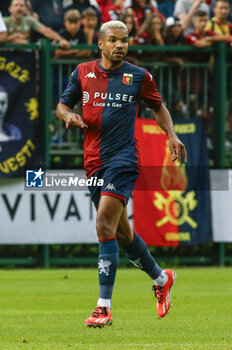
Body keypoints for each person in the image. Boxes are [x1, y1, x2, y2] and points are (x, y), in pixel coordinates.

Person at [56, 20, 187, 328]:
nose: (120, 45)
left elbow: (158, 107)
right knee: (122, 233)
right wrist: (69, 115)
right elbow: (61, 106)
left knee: (103, 223)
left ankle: (103, 307)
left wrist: (171, 135)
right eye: (113, 40)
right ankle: (161, 277)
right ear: (100, 43)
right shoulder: (83, 72)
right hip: (93, 163)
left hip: (123, 159)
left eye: (124, 41)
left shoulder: (138, 76)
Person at [4, 0, 70, 47]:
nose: (19, 8)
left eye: (22, 5)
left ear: (25, 8)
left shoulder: (29, 20)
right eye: (16, 5)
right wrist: (12, 38)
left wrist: (61, 40)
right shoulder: (4, 21)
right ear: (10, 9)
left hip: (25, 57)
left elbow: (46, 31)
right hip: (7, 56)